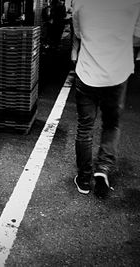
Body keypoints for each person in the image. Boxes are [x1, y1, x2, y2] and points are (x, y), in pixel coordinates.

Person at [71, 0, 140, 198]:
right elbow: (137, 37)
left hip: (88, 73)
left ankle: (84, 179)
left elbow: (78, 33)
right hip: (117, 73)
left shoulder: (81, 2)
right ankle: (103, 168)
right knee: (111, 124)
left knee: (85, 127)